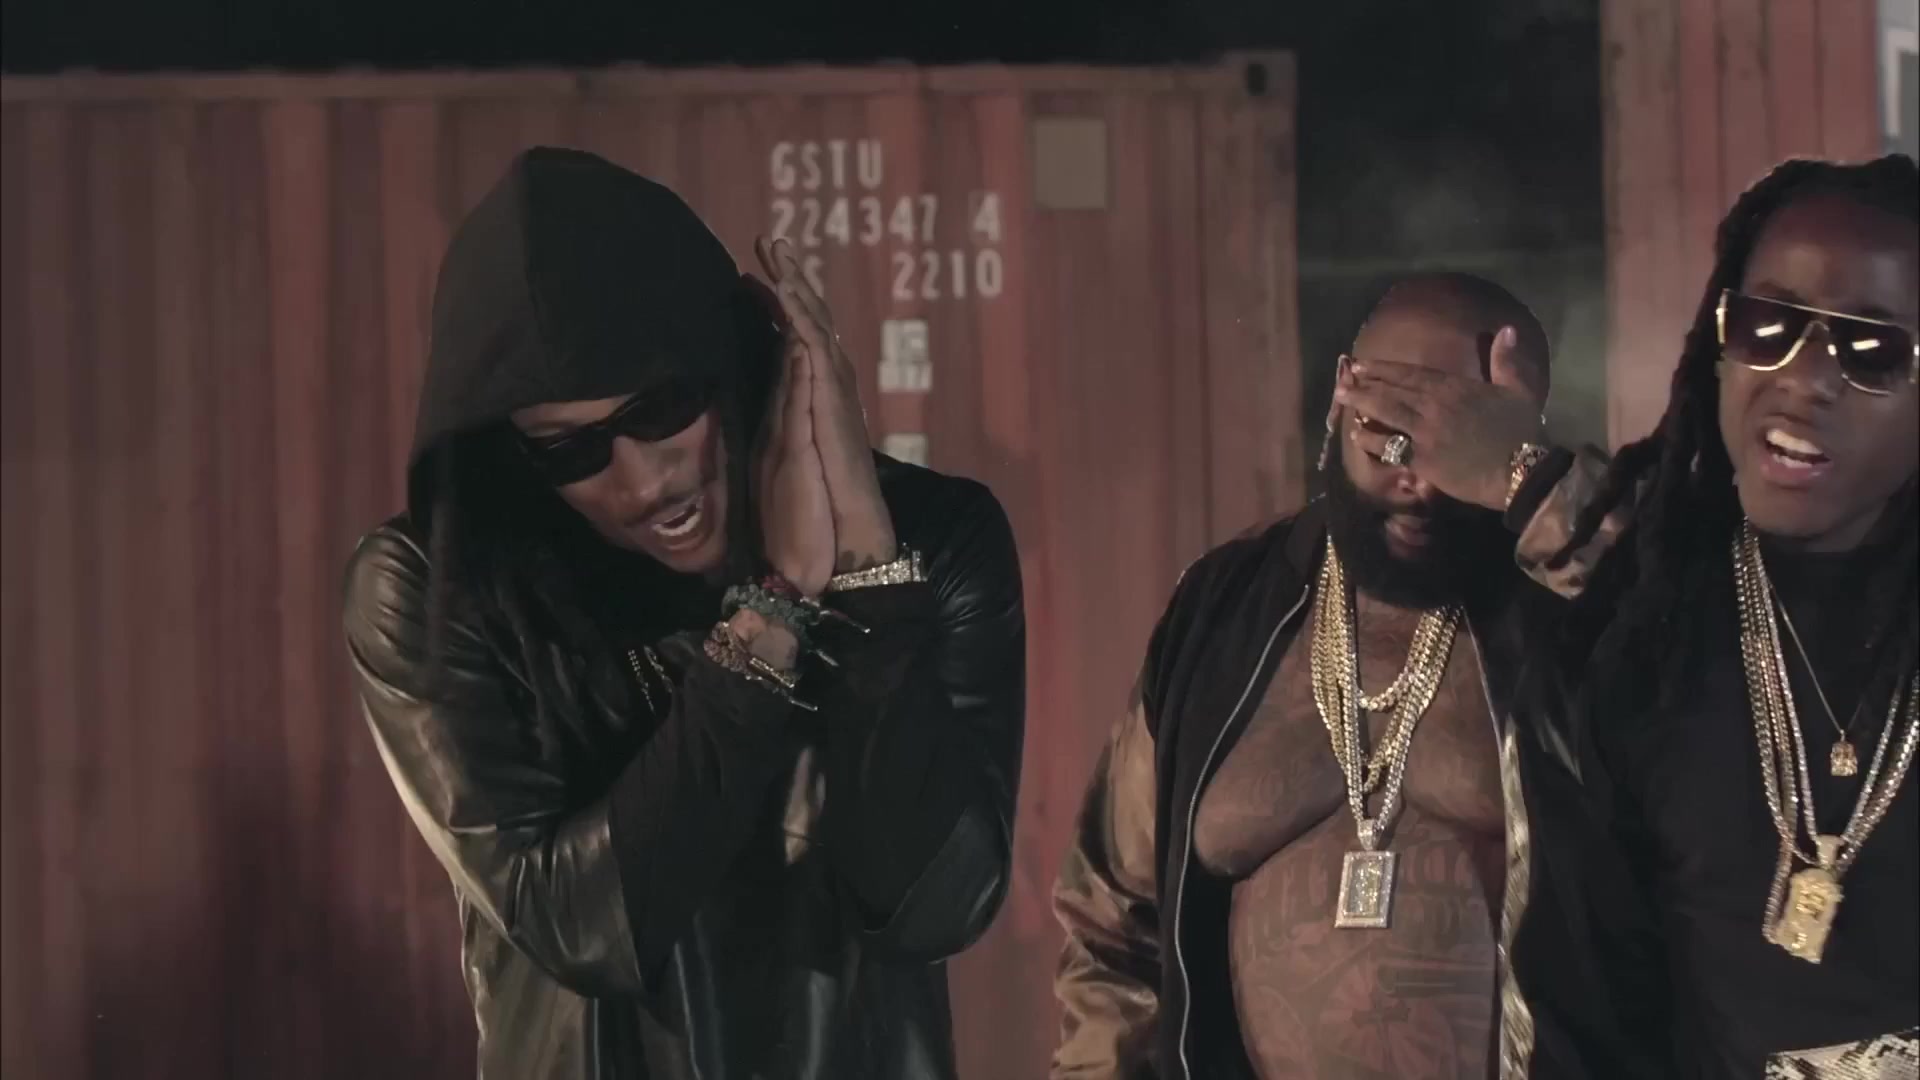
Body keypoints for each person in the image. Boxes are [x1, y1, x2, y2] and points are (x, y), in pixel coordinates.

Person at [341, 147, 1025, 1080]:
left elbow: (938, 906)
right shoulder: (437, 590)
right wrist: (774, 612)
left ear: (734, 358)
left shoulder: (933, 541)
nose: (642, 482)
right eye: (569, 450)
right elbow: (582, 928)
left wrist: (866, 568)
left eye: (661, 407)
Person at [1336, 154, 1918, 1077]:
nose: (1805, 377)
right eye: (1767, 326)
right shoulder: (1634, 645)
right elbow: (1581, 1019)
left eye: (1870, 350)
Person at [1050, 272, 1584, 1079]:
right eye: (1387, 431)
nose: (1417, 477)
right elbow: (1112, 926)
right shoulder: (1225, 608)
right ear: (1342, 390)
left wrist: (1536, 487)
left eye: (1456, 444)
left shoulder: (1576, 623)